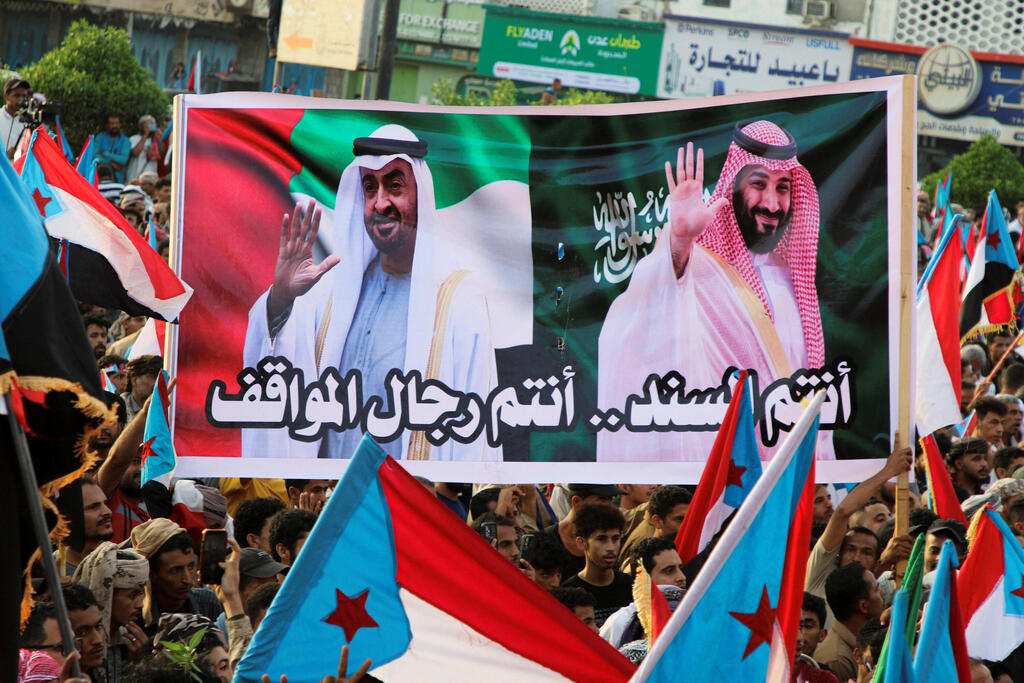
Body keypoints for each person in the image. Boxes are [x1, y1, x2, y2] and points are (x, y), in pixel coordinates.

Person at [243, 124, 498, 461]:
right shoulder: (334, 291)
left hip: (407, 501)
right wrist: (281, 299)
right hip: (330, 499)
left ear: (420, 193)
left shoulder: (458, 300)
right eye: (369, 188)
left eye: (395, 186)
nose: (381, 203)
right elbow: (277, 374)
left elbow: (475, 429)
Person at [598, 121, 827, 461]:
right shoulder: (698, 260)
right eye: (758, 185)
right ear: (735, 185)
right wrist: (679, 241)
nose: (772, 203)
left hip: (789, 460)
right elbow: (655, 296)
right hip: (719, 459)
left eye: (782, 188)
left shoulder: (791, 278)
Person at [805, 444, 912, 604]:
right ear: (837, 556)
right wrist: (889, 471)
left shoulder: (874, 603)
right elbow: (841, 513)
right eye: (850, 549)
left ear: (876, 563)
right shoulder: (819, 576)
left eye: (866, 553)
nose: (856, 558)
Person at [72, 542, 150, 681]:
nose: (140, 604)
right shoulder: (79, 644)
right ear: (106, 594)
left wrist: (145, 663)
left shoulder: (134, 640)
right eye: (133, 595)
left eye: (141, 594)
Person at [129, 518, 224, 632]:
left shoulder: (208, 604)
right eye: (175, 570)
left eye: (190, 566)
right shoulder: (135, 616)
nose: (188, 579)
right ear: (151, 573)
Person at [560, 503, 632, 627]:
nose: (611, 548)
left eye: (615, 539)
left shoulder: (632, 587)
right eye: (601, 539)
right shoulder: (569, 593)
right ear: (581, 542)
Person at [815, 562, 883, 681]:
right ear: (863, 606)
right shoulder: (836, 660)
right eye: (877, 590)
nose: (882, 592)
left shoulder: (859, 643)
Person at [541, 484, 619, 577]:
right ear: (577, 502)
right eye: (601, 500)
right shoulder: (544, 541)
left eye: (610, 500)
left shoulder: (612, 539)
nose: (609, 507)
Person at [56, 478, 115, 576]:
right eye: (94, 507)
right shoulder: (50, 571)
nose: (108, 511)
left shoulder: (126, 563)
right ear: (66, 516)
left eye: (104, 503)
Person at [946, 437, 992, 502]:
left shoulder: (984, 493)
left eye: (985, 458)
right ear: (959, 464)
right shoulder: (947, 493)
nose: (984, 464)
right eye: (976, 459)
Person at [120, 355, 161, 423]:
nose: (157, 383)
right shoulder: (118, 409)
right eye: (153, 377)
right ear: (134, 379)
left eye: (160, 378)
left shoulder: (168, 410)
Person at [126, 115, 165, 182]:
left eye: (152, 125)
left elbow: (162, 154)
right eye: (148, 125)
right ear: (141, 126)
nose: (150, 127)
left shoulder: (155, 140)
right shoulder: (134, 138)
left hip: (151, 177)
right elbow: (135, 152)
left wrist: (159, 139)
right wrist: (145, 135)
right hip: (135, 176)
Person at [95, 114, 132, 183]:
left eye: (117, 123)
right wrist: (111, 163)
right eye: (112, 123)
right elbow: (94, 156)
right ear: (107, 125)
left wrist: (106, 154)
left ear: (120, 125)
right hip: (99, 179)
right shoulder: (100, 137)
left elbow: (123, 160)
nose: (114, 126)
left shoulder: (126, 141)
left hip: (118, 180)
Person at [2, 77, 29, 160]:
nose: (21, 99)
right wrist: (5, 156)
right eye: (17, 95)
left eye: (24, 96)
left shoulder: (27, 121)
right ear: (6, 96)